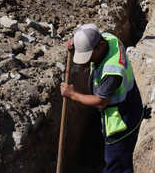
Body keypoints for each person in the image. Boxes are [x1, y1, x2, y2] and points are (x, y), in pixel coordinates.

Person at [60, 23, 143, 173]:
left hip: (121, 122)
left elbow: (100, 102)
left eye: (89, 55)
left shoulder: (111, 70)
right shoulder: (110, 38)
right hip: (132, 104)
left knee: (117, 167)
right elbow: (91, 35)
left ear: (101, 45)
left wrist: (73, 94)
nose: (86, 60)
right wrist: (79, 42)